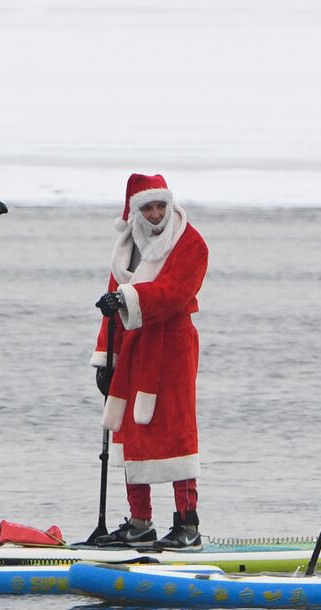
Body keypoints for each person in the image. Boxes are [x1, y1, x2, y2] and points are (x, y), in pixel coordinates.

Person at [90, 172, 209, 550]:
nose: (156, 213)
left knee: (176, 428)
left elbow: (175, 294)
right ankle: (140, 521)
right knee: (127, 429)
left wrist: (126, 298)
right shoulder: (127, 247)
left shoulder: (191, 243)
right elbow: (113, 308)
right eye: (149, 207)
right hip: (133, 346)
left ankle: (187, 524)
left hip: (173, 345)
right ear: (135, 211)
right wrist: (105, 361)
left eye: (161, 206)